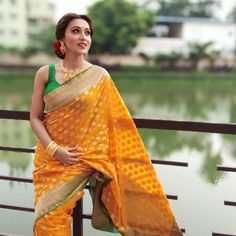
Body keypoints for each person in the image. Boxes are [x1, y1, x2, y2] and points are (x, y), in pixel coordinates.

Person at [30, 12, 183, 236]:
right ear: (61, 39)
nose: (83, 36)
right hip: (49, 161)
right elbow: (35, 117)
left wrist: (101, 163)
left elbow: (110, 124)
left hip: (83, 159)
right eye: (76, 31)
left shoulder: (99, 76)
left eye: (87, 32)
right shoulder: (45, 73)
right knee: (46, 220)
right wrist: (55, 150)